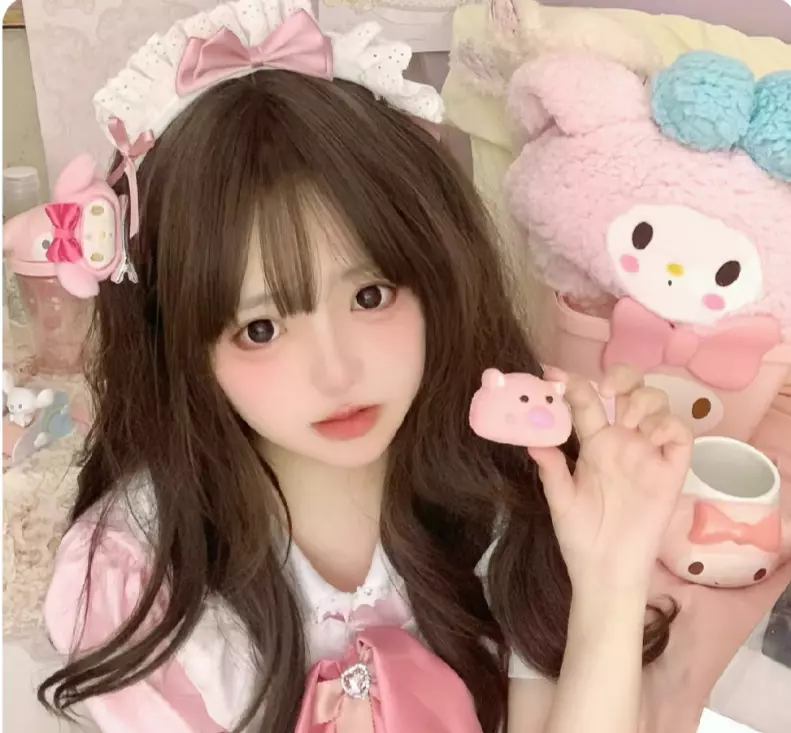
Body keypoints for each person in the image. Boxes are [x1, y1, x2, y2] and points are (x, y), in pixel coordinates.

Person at [37, 1, 693, 731]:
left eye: (370, 295)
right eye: (260, 328)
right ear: (180, 344)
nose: (337, 372)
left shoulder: (502, 493)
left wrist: (610, 574)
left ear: (438, 277)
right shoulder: (141, 587)